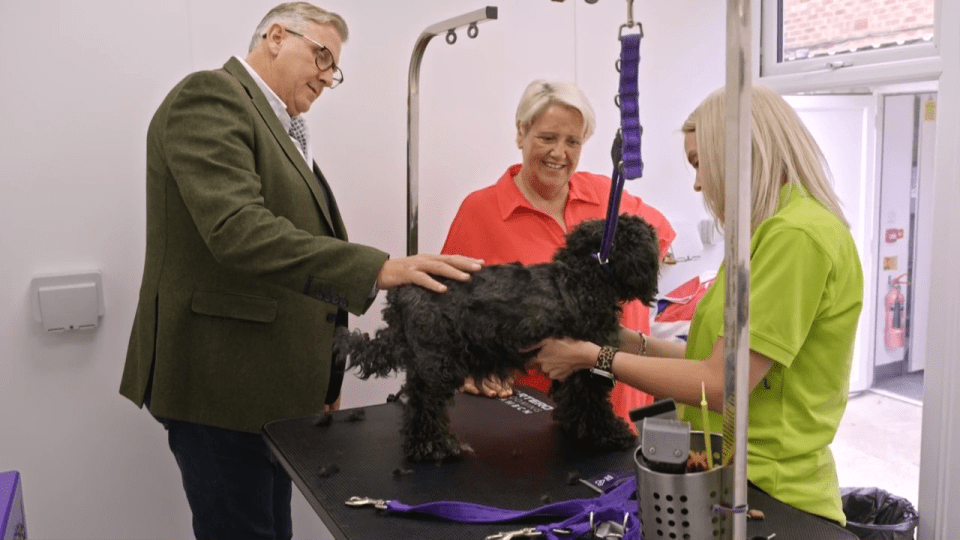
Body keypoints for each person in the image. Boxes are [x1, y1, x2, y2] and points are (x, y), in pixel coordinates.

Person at [118, 4, 481, 539]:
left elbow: (301, 257)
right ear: (276, 36)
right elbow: (239, 231)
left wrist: (324, 376)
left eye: (334, 68)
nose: (328, 77)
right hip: (221, 387)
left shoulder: (283, 129)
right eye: (323, 56)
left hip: (273, 392)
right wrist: (379, 267)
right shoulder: (210, 97)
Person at [530, 85, 863, 525]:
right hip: (723, 474)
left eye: (699, 164)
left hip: (772, 489)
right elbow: (716, 360)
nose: (698, 183)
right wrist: (628, 341)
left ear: (736, 151)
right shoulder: (763, 234)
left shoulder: (794, 237)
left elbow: (720, 383)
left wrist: (594, 357)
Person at [441, 79, 675, 423]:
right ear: (521, 133)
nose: (559, 153)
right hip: (538, 417)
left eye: (572, 142)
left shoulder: (605, 195)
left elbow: (662, 238)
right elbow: (448, 317)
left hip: (626, 407)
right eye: (547, 138)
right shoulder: (480, 211)